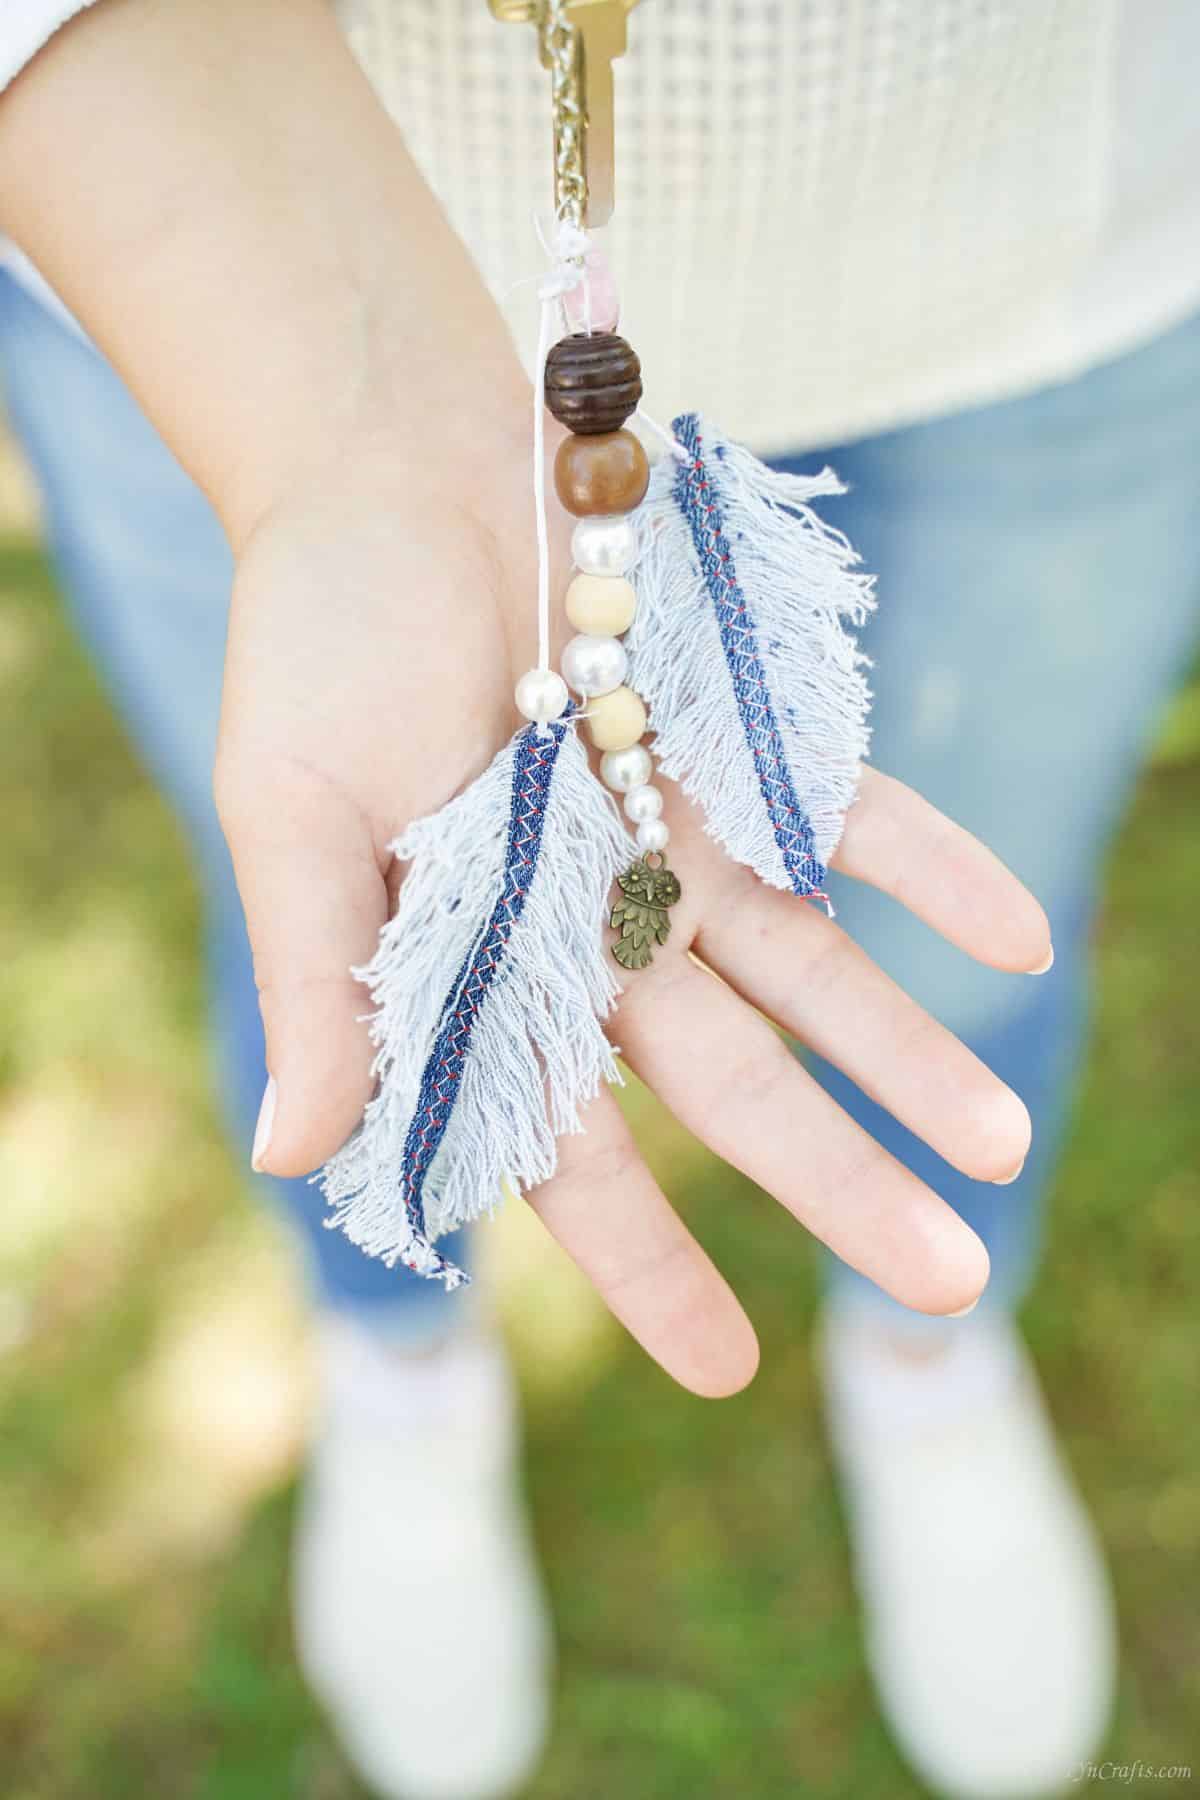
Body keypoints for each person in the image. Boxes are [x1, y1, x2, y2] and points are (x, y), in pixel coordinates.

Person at [3, 2, 1197, 1795]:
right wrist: (345, 432)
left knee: (958, 931)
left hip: (1073, 255)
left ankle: (928, 1345)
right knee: (355, 949)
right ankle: (402, 1355)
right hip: (225, 254)